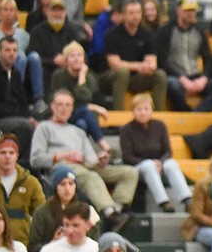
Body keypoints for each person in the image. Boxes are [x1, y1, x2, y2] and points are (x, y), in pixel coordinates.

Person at [30, 89, 137, 230]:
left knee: (130, 172)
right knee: (91, 176)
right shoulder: (44, 128)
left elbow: (90, 159)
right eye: (60, 104)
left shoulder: (78, 131)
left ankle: (116, 210)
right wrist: (64, 155)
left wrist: (100, 160)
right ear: (52, 106)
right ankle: (110, 213)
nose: (64, 108)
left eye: (68, 105)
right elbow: (35, 159)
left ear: (72, 108)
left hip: (84, 164)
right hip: (61, 167)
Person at [119, 94, 192, 213]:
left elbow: (168, 151)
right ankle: (163, 202)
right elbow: (127, 156)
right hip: (138, 166)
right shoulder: (126, 130)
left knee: (171, 164)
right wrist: (151, 163)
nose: (142, 113)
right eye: (139, 109)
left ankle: (187, 199)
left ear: (151, 110)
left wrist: (160, 162)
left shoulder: (160, 126)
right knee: (148, 165)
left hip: (159, 163)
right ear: (133, 111)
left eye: (146, 109)